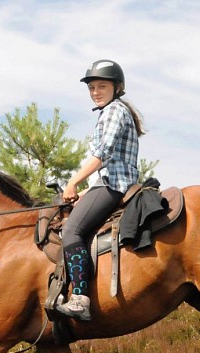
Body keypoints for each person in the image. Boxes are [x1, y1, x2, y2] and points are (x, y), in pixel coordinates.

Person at [55, 59, 145, 321]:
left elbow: (102, 154)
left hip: (115, 185)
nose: (95, 92)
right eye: (91, 87)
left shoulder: (114, 111)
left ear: (117, 87)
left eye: (101, 86)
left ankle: (81, 299)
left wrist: (74, 182)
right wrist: (86, 192)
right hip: (110, 182)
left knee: (71, 230)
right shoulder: (111, 110)